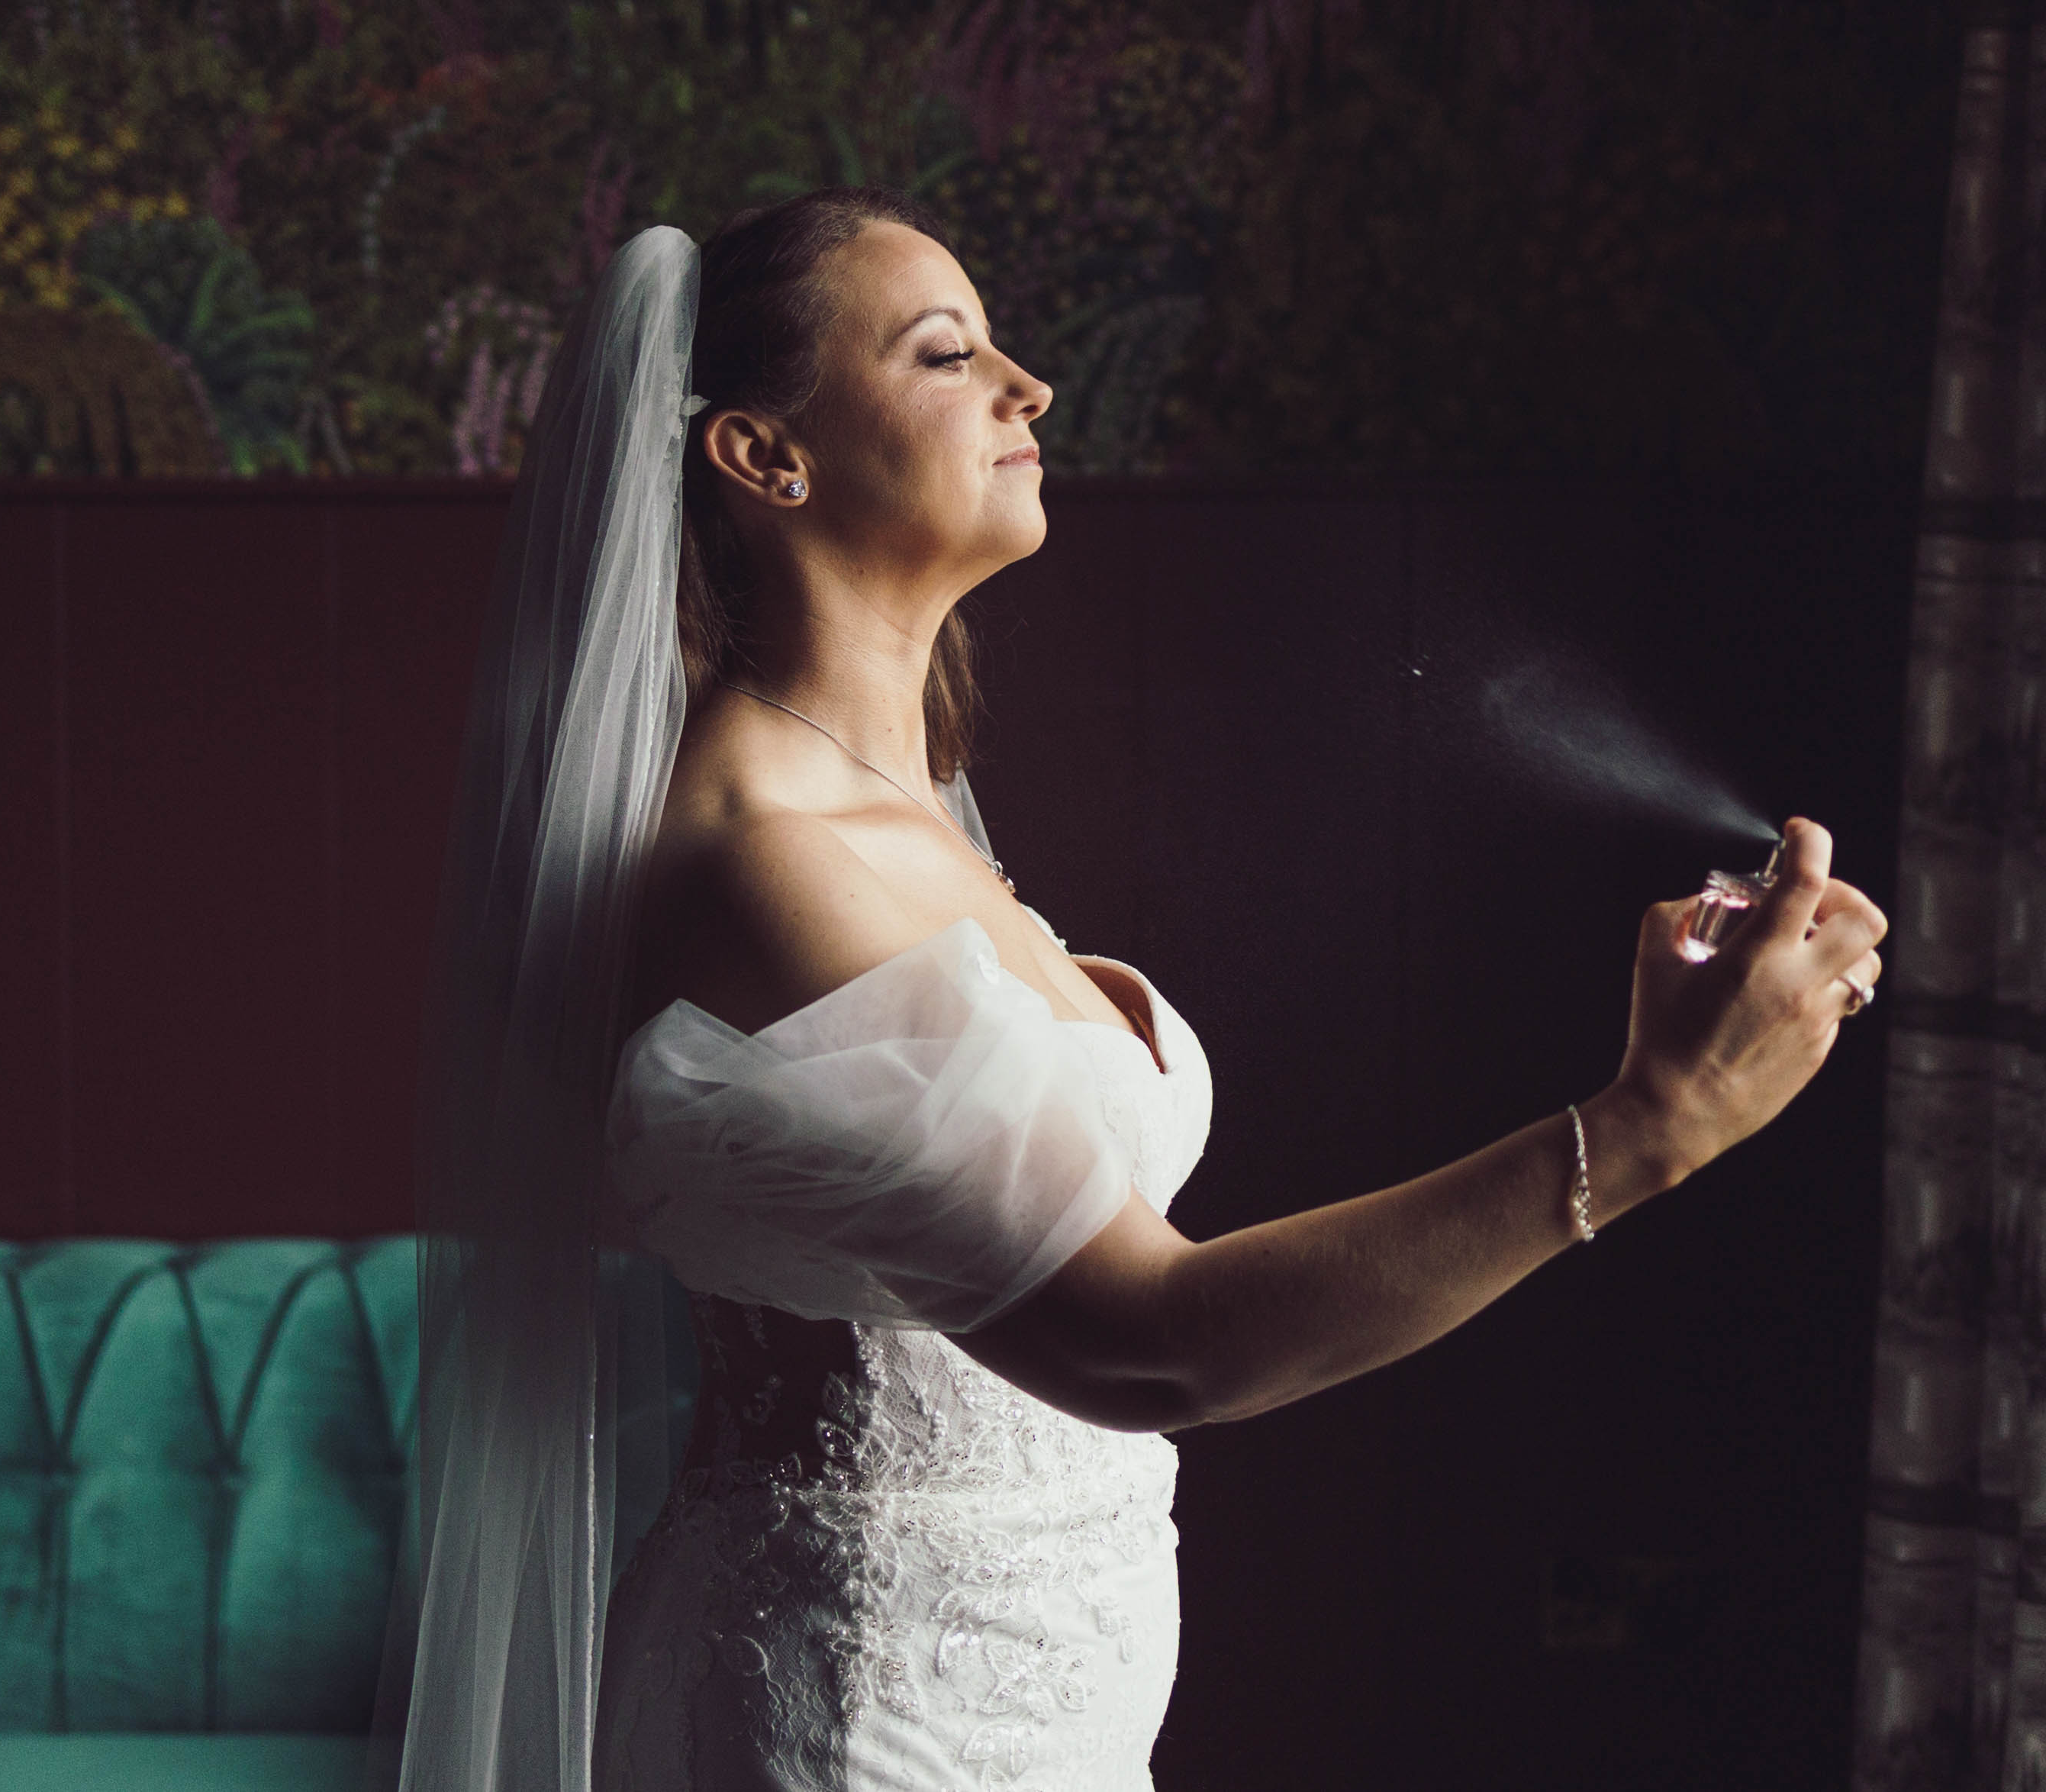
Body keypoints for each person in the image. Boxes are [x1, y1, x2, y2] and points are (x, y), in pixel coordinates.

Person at [391, 188, 1887, 1792]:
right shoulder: (771, 853)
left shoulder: (904, 818)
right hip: (862, 1714)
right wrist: (1647, 1127)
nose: (1026, 387)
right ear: (765, 459)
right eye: (947, 353)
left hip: (1052, 1686)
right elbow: (1147, 1341)